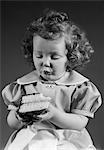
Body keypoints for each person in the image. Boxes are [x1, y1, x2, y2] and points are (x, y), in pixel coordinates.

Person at [2, 9, 102, 150]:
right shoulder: (24, 86)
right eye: (39, 56)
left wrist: (54, 115)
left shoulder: (79, 87)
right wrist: (19, 116)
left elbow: (80, 123)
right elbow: (11, 122)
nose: (45, 62)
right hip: (33, 137)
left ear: (70, 57)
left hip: (66, 139)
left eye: (54, 57)